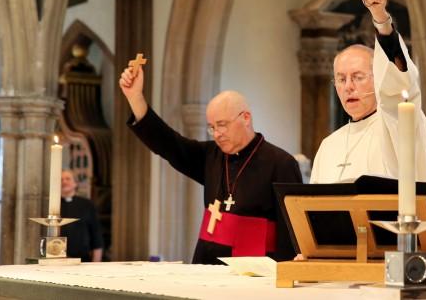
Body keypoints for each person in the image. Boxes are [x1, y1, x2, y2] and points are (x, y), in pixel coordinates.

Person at [119, 67, 303, 265]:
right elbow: (169, 144)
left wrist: (286, 277)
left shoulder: (281, 163)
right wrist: (135, 97)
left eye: (222, 125)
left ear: (246, 118)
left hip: (254, 271)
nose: (216, 134)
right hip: (206, 264)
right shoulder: (211, 156)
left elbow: (290, 230)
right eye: (212, 127)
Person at [310, 0, 426, 184]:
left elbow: (400, 83)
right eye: (341, 79)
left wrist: (381, 18)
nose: (348, 86)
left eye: (357, 77)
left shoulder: (397, 123)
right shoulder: (328, 146)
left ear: (380, 79)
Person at [60, 169, 104, 262]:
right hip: (58, 260)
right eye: (61, 179)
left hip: (83, 260)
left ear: (75, 183)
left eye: (68, 179)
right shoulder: (53, 206)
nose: (64, 182)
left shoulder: (87, 205)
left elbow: (96, 235)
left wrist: (96, 264)